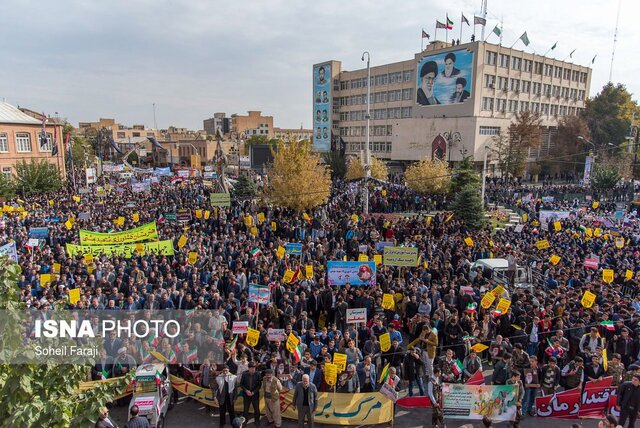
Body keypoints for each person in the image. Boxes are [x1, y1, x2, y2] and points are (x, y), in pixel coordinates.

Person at [240, 361, 261, 427]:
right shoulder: (244, 374)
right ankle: (245, 421)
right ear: (248, 368)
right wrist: (246, 391)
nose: (253, 369)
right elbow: (241, 384)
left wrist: (253, 392)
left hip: (255, 395)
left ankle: (257, 421)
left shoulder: (258, 374)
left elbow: (259, 385)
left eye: (254, 368)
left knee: (256, 409)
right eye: (251, 368)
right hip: (246, 395)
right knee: (245, 409)